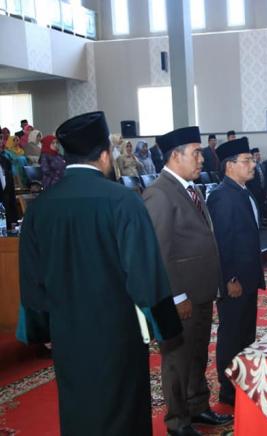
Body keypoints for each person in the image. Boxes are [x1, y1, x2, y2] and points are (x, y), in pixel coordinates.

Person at [16, 111, 183, 436]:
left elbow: (32, 280)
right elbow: (144, 273)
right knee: (122, 412)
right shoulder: (123, 201)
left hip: (68, 335)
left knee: (79, 410)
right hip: (117, 336)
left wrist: (40, 328)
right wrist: (165, 326)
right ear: (105, 154)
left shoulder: (40, 207)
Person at [143, 126, 232, 435]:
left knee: (197, 354)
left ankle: (197, 406)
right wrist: (176, 295)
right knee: (177, 360)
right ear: (175, 156)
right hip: (180, 296)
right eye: (196, 153)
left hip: (201, 291)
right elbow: (159, 252)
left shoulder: (189, 189)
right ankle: (177, 421)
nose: (202, 159)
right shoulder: (159, 193)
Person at [207, 137, 265, 407]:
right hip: (235, 281)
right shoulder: (221, 196)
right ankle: (228, 390)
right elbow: (221, 241)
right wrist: (230, 278)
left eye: (252, 159)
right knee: (231, 334)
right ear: (230, 166)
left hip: (248, 277)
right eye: (246, 160)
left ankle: (243, 382)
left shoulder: (243, 191)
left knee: (246, 333)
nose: (252, 165)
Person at [0, 143, 19, 227]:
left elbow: (11, 192)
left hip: (6, 216)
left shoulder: (5, 161)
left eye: (1, 138)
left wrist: (14, 219)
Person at [246, 147, 265, 218]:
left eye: (259, 155)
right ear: (252, 156)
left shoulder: (261, 165)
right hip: (254, 191)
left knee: (261, 207)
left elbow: (264, 178)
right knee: (255, 207)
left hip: (262, 190)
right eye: (256, 155)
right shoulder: (249, 166)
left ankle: (261, 220)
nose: (258, 156)